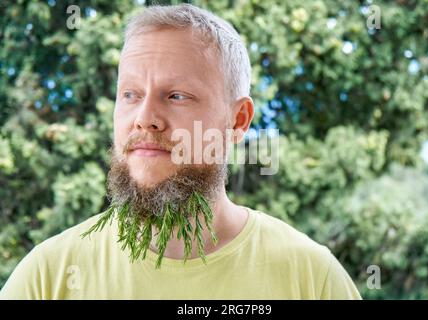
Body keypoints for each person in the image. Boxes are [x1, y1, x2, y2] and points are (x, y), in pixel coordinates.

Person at [0, 3, 361, 300]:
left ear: (238, 120)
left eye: (176, 96)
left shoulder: (313, 280)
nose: (145, 119)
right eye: (131, 94)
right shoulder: (46, 279)